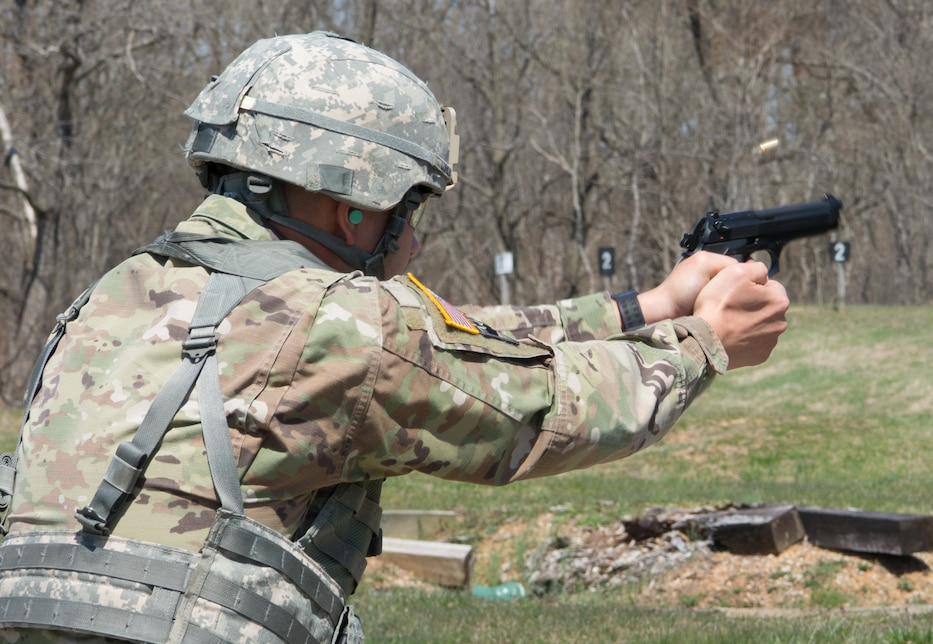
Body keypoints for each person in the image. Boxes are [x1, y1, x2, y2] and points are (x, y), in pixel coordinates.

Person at [0, 31, 788, 643]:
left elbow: (451, 342)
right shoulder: (343, 327)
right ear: (356, 206)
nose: (413, 233)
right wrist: (706, 340)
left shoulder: (115, 293)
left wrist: (648, 304)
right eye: (409, 207)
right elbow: (552, 409)